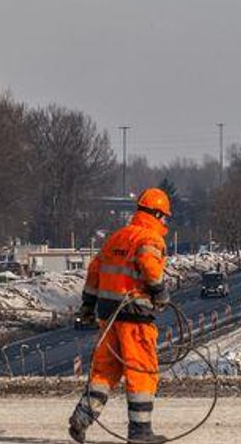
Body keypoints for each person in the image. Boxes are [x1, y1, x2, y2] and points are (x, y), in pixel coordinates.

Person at [69, 188, 172, 444]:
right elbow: (150, 266)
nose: (165, 222)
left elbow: (94, 272)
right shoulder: (150, 238)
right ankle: (140, 432)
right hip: (135, 317)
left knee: (105, 371)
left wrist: (87, 306)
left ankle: (81, 418)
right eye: (165, 217)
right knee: (142, 371)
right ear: (157, 214)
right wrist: (160, 292)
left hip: (109, 318)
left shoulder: (116, 237)